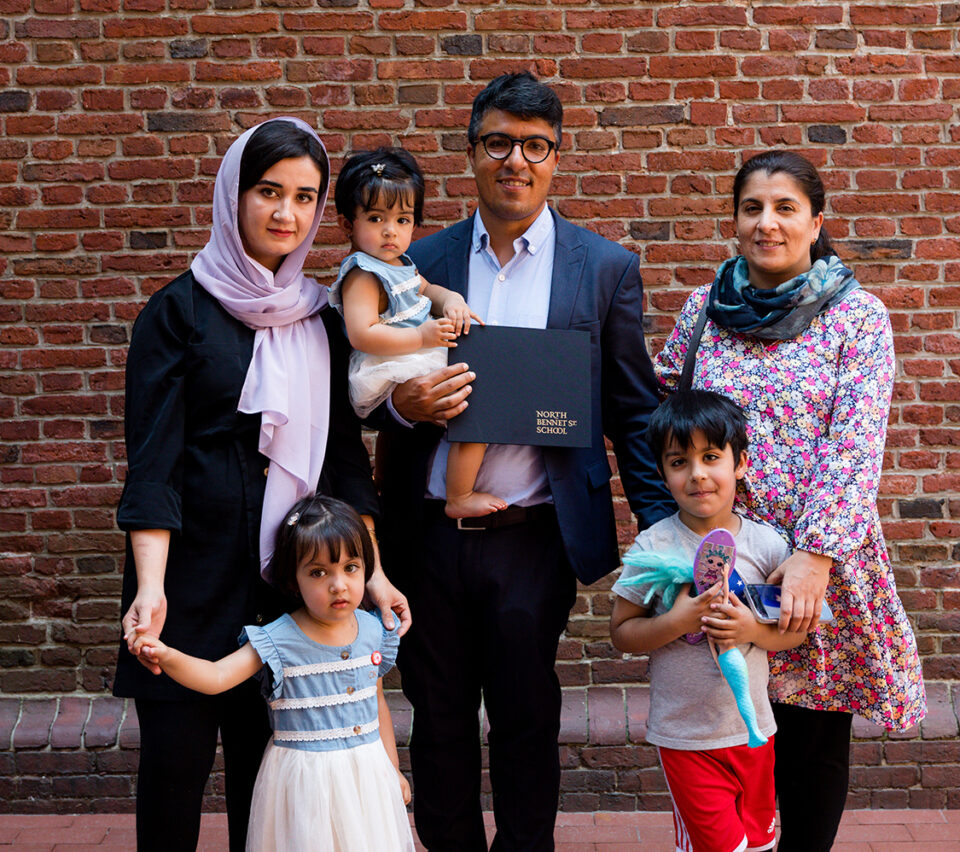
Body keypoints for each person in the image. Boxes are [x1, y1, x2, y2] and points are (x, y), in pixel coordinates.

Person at [372, 71, 676, 852]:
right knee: (437, 718)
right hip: (429, 534)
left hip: (533, 534)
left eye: (535, 146)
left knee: (526, 716)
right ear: (471, 152)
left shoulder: (602, 267)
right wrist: (401, 407)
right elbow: (369, 384)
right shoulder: (417, 259)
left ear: (556, 158)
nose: (516, 159)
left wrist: (663, 529)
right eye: (498, 142)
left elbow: (632, 408)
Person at [113, 117, 410, 852]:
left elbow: (345, 466)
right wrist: (152, 590)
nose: (286, 213)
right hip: (186, 584)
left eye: (305, 198)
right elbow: (151, 465)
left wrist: (372, 575)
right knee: (175, 778)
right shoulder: (176, 314)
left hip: (287, 590)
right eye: (268, 191)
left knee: (269, 787)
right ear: (233, 194)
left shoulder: (320, 317)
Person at [655, 150, 926, 851]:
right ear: (735, 220)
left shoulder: (857, 318)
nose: (766, 223)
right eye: (752, 208)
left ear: (815, 223)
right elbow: (664, 415)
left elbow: (856, 445)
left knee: (808, 742)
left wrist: (813, 558)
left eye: (784, 208)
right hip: (723, 559)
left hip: (812, 566)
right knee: (727, 731)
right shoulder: (702, 312)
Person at [132, 495, 415, 852]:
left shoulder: (374, 630)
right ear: (294, 581)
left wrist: (392, 769)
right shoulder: (278, 639)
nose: (338, 585)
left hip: (365, 777)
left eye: (351, 567)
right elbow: (217, 676)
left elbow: (375, 703)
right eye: (318, 572)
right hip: (304, 785)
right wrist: (167, 655)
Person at [610, 389, 808, 852]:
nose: (697, 474)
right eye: (679, 462)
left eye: (712, 456)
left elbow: (797, 631)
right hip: (686, 737)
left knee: (757, 845)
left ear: (740, 464)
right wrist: (679, 620)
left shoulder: (768, 547)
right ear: (662, 472)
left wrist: (752, 632)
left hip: (756, 732)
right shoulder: (652, 549)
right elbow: (621, 633)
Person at [329, 147, 504, 518]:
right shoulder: (363, 273)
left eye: (403, 220)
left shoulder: (401, 264)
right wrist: (422, 337)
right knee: (479, 411)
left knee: (479, 410)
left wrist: (453, 300)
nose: (391, 231)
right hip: (393, 361)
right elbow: (362, 334)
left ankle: (460, 491)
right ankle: (459, 496)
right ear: (348, 225)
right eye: (376, 218)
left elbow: (428, 290)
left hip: (418, 353)